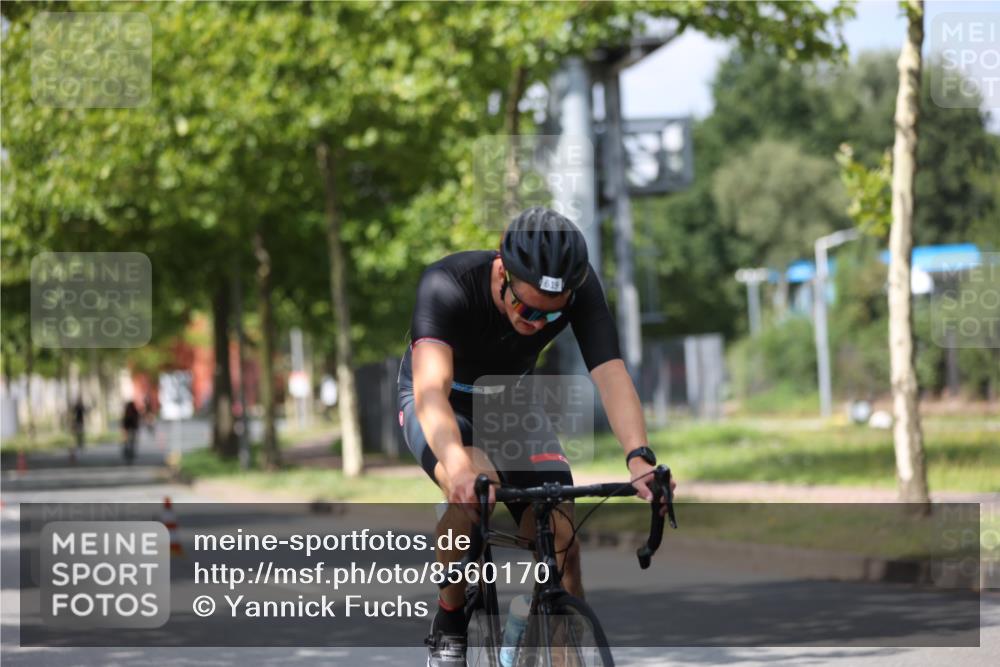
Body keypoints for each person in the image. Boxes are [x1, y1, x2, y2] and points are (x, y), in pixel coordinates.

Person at [397, 207, 673, 667]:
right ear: (502, 271)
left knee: (561, 533)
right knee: (473, 484)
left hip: (508, 400)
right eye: (524, 308)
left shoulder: (579, 288)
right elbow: (431, 392)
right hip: (440, 401)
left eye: (551, 316)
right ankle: (449, 620)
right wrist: (458, 466)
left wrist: (639, 458)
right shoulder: (447, 284)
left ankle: (559, 648)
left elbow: (610, 373)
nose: (536, 323)